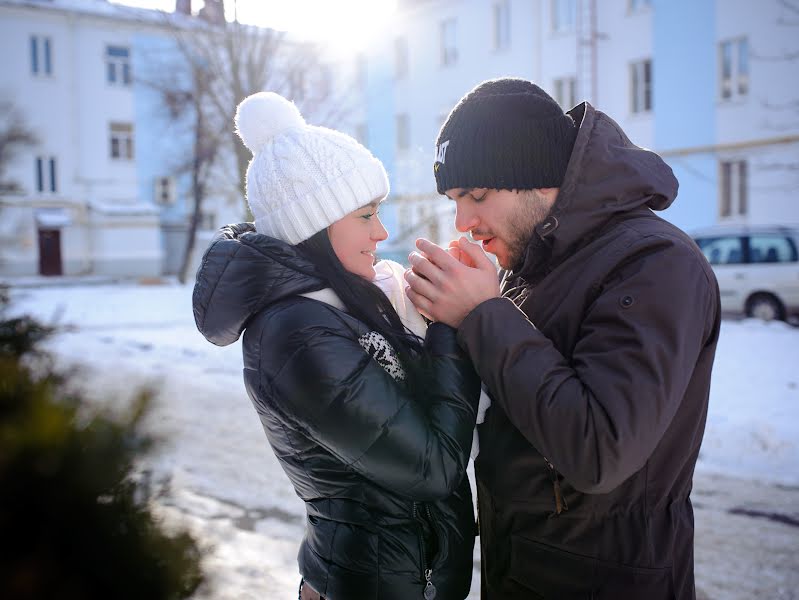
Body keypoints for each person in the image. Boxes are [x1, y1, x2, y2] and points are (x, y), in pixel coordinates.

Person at [404, 78, 721, 600]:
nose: (463, 222)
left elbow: (599, 450)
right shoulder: (533, 264)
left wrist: (483, 315)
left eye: (477, 195)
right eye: (454, 200)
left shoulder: (653, 263)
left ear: (538, 178)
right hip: (521, 571)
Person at [192, 92, 480, 600]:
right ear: (315, 227)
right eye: (365, 216)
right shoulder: (298, 336)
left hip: (400, 577)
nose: (383, 232)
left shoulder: (350, 306)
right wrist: (447, 327)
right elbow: (434, 468)